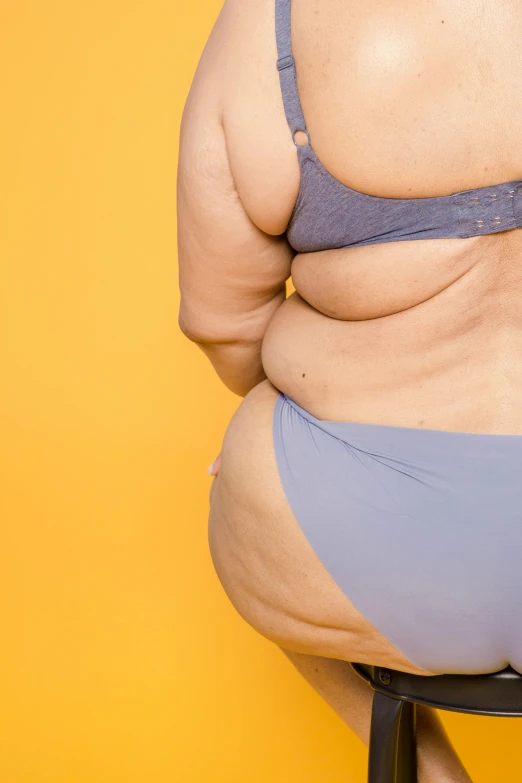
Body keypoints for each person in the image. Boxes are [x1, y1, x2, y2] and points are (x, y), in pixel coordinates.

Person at [177, 0, 522, 779]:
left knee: (262, 449)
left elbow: (221, 323)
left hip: (366, 554)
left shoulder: (266, 28)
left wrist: (299, 432)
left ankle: (431, 768)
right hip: (378, 546)